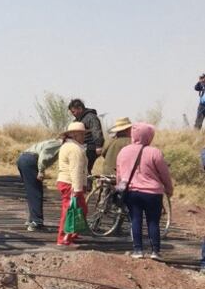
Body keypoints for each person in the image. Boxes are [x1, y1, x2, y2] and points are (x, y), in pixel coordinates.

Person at [116, 123, 174, 260]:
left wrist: (120, 187)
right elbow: (164, 173)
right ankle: (155, 252)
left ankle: (138, 250)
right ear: (148, 136)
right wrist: (169, 189)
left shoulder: (123, 151)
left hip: (131, 192)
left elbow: (119, 173)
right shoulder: (155, 152)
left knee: (135, 220)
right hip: (153, 193)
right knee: (153, 221)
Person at [17, 136, 63, 232]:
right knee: (36, 192)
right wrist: (41, 171)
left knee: (31, 191)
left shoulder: (55, 142)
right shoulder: (59, 144)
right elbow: (44, 154)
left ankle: (32, 219)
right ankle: (36, 222)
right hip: (30, 160)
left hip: (23, 159)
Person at [56, 121, 89, 248]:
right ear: (74, 134)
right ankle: (63, 238)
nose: (84, 136)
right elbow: (75, 170)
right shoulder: (75, 149)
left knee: (81, 209)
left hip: (69, 182)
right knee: (69, 210)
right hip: (70, 183)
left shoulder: (69, 146)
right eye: (82, 134)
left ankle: (72, 233)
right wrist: (78, 188)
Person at [68, 99, 104, 173]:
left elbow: (96, 131)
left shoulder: (91, 117)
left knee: (84, 169)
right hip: (81, 147)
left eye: (73, 111)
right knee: (81, 169)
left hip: (90, 147)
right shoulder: (78, 120)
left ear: (80, 108)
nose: (73, 114)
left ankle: (85, 180)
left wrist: (98, 145)